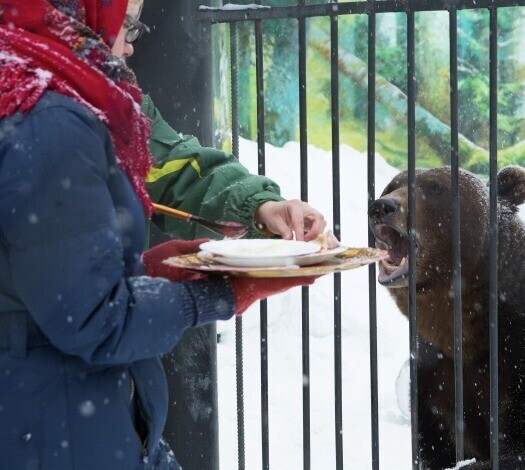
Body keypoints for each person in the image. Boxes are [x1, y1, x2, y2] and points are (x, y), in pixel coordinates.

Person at [0, 1, 320, 468]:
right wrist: (216, 290)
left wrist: (257, 204)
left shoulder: (63, 80)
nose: (130, 43)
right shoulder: (50, 114)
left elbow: (169, 165)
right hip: (54, 420)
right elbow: (88, 318)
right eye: (126, 23)